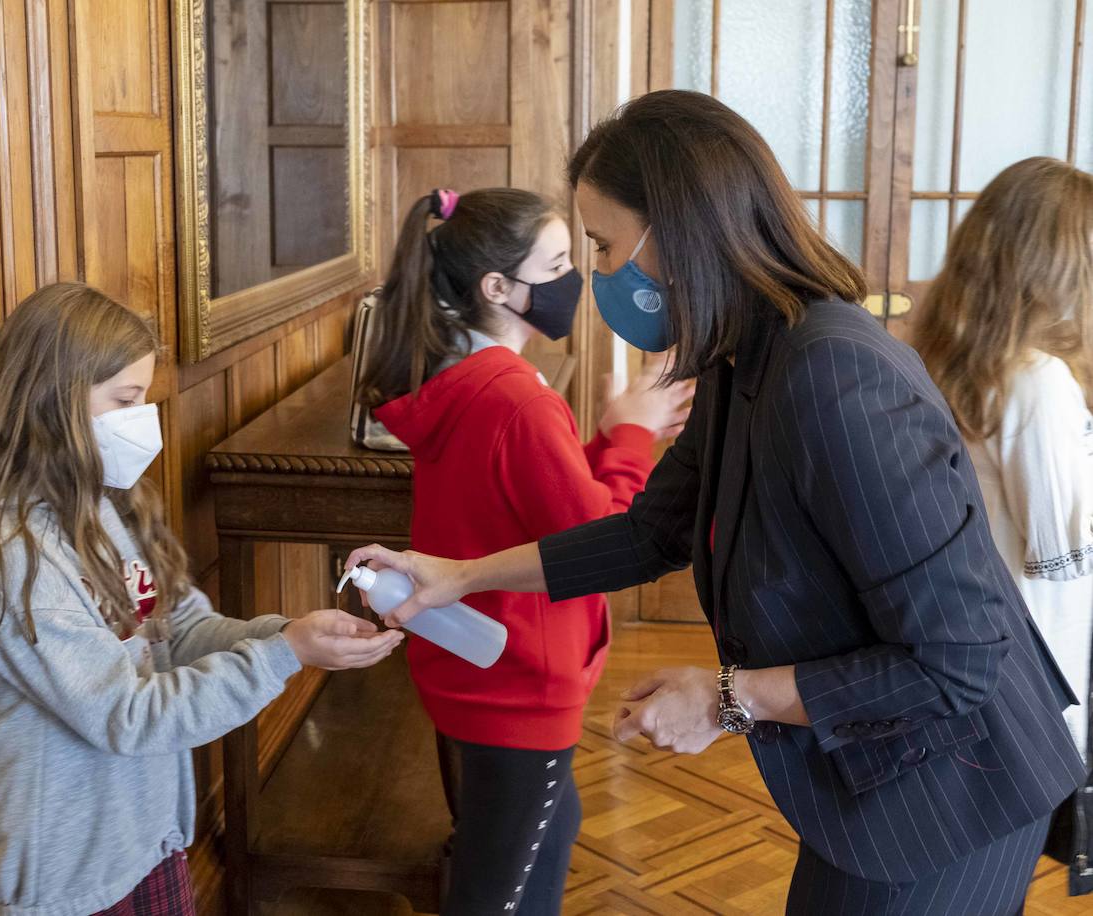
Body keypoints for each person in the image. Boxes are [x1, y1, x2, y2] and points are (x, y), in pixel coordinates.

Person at [347, 91, 1086, 914]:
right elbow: (648, 533)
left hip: (954, 788)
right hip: (882, 773)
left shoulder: (837, 380)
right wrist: (458, 576)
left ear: (678, 229)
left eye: (604, 244)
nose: (598, 276)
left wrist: (731, 697)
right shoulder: (744, 354)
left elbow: (956, 659)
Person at [0, 282, 403, 916]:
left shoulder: (97, 507)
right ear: (52, 403)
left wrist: (288, 634)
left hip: (143, 834)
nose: (142, 421)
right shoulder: (9, 554)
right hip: (67, 871)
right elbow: (126, 716)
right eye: (125, 401)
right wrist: (281, 656)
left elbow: (179, 630)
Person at [355, 187, 692, 915]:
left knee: (535, 834)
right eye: (561, 261)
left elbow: (540, 501)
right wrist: (631, 433)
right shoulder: (517, 398)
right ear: (499, 288)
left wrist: (609, 435)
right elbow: (597, 539)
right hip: (518, 679)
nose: (576, 277)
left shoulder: (465, 378)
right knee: (501, 894)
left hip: (480, 664)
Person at [914, 156, 1093, 758]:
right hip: (1035, 664)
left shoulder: (951, 362)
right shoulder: (1037, 381)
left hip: (971, 648)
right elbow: (1064, 554)